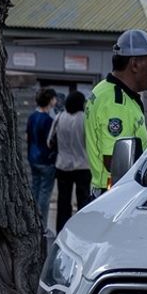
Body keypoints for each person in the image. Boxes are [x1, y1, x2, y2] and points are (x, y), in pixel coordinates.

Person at [85, 29, 147, 197]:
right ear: (135, 64)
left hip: (105, 193)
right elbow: (117, 163)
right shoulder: (116, 103)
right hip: (114, 196)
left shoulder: (105, 89)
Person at [48, 91, 91, 232]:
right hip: (83, 166)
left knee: (63, 202)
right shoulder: (86, 119)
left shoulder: (59, 117)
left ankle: (61, 232)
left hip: (62, 165)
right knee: (83, 202)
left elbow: (50, 142)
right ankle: (82, 231)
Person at [26, 88, 59, 220]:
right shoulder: (48, 120)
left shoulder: (32, 117)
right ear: (50, 100)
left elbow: (28, 136)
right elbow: (50, 142)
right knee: (45, 194)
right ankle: (42, 222)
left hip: (33, 158)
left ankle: (31, 219)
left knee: (34, 189)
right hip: (46, 160)